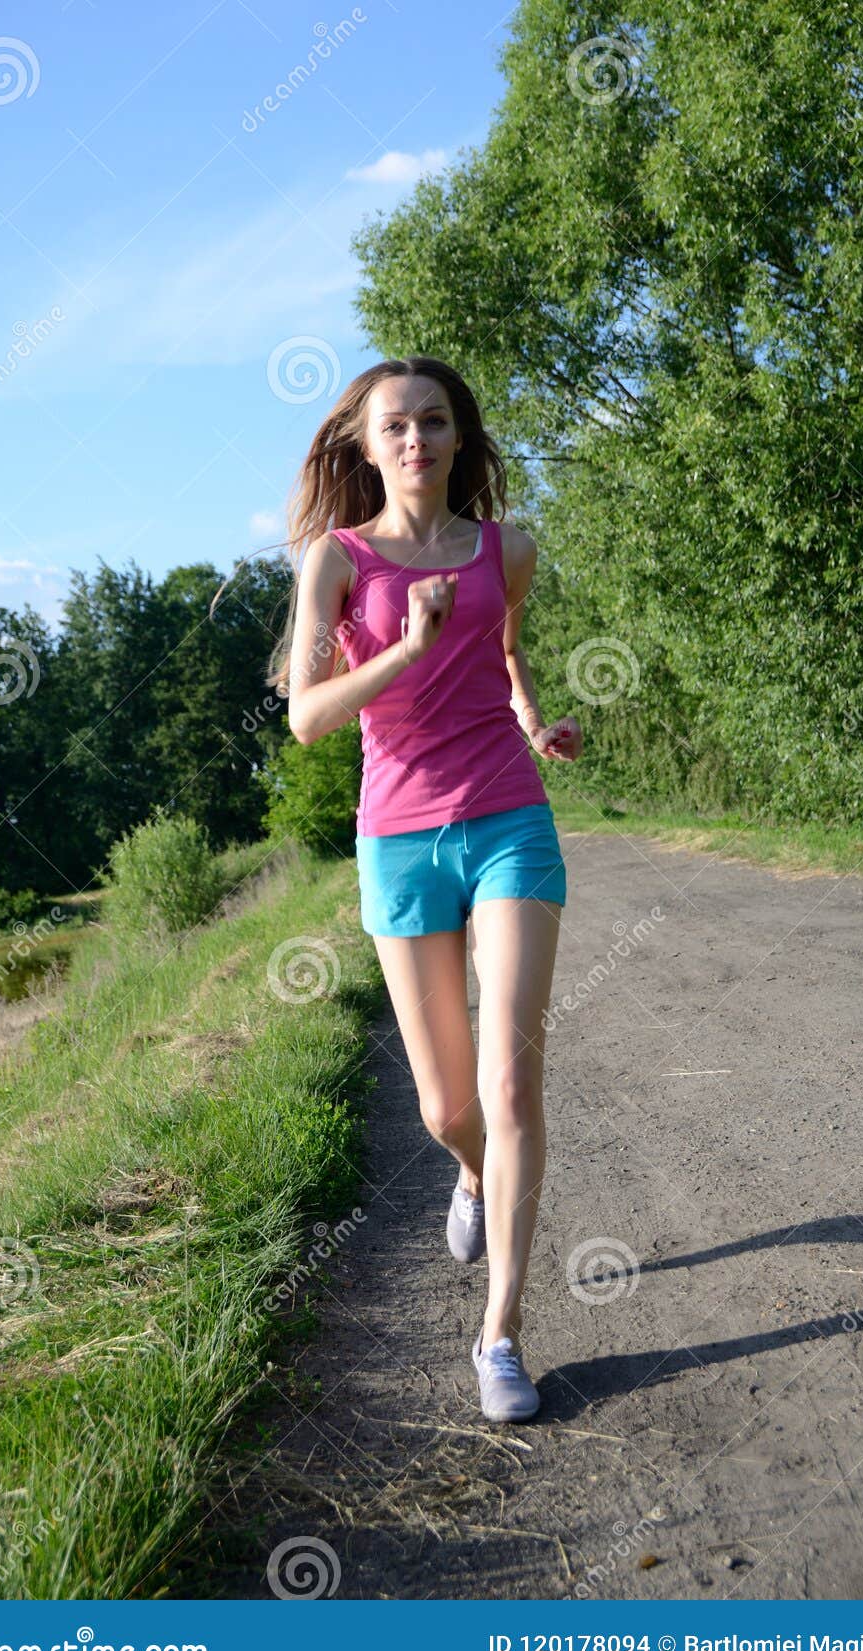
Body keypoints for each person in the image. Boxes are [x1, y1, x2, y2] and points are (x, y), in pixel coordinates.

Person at [275, 355, 583, 1422]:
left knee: (508, 1089)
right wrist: (404, 648)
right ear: (365, 446)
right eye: (395, 425)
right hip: (398, 839)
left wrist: (536, 722)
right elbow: (307, 715)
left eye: (435, 421)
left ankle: (499, 1335)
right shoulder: (337, 561)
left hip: (507, 822)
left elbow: (502, 652)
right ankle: (471, 1175)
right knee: (447, 1107)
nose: (416, 439)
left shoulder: (509, 549)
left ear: (461, 437)